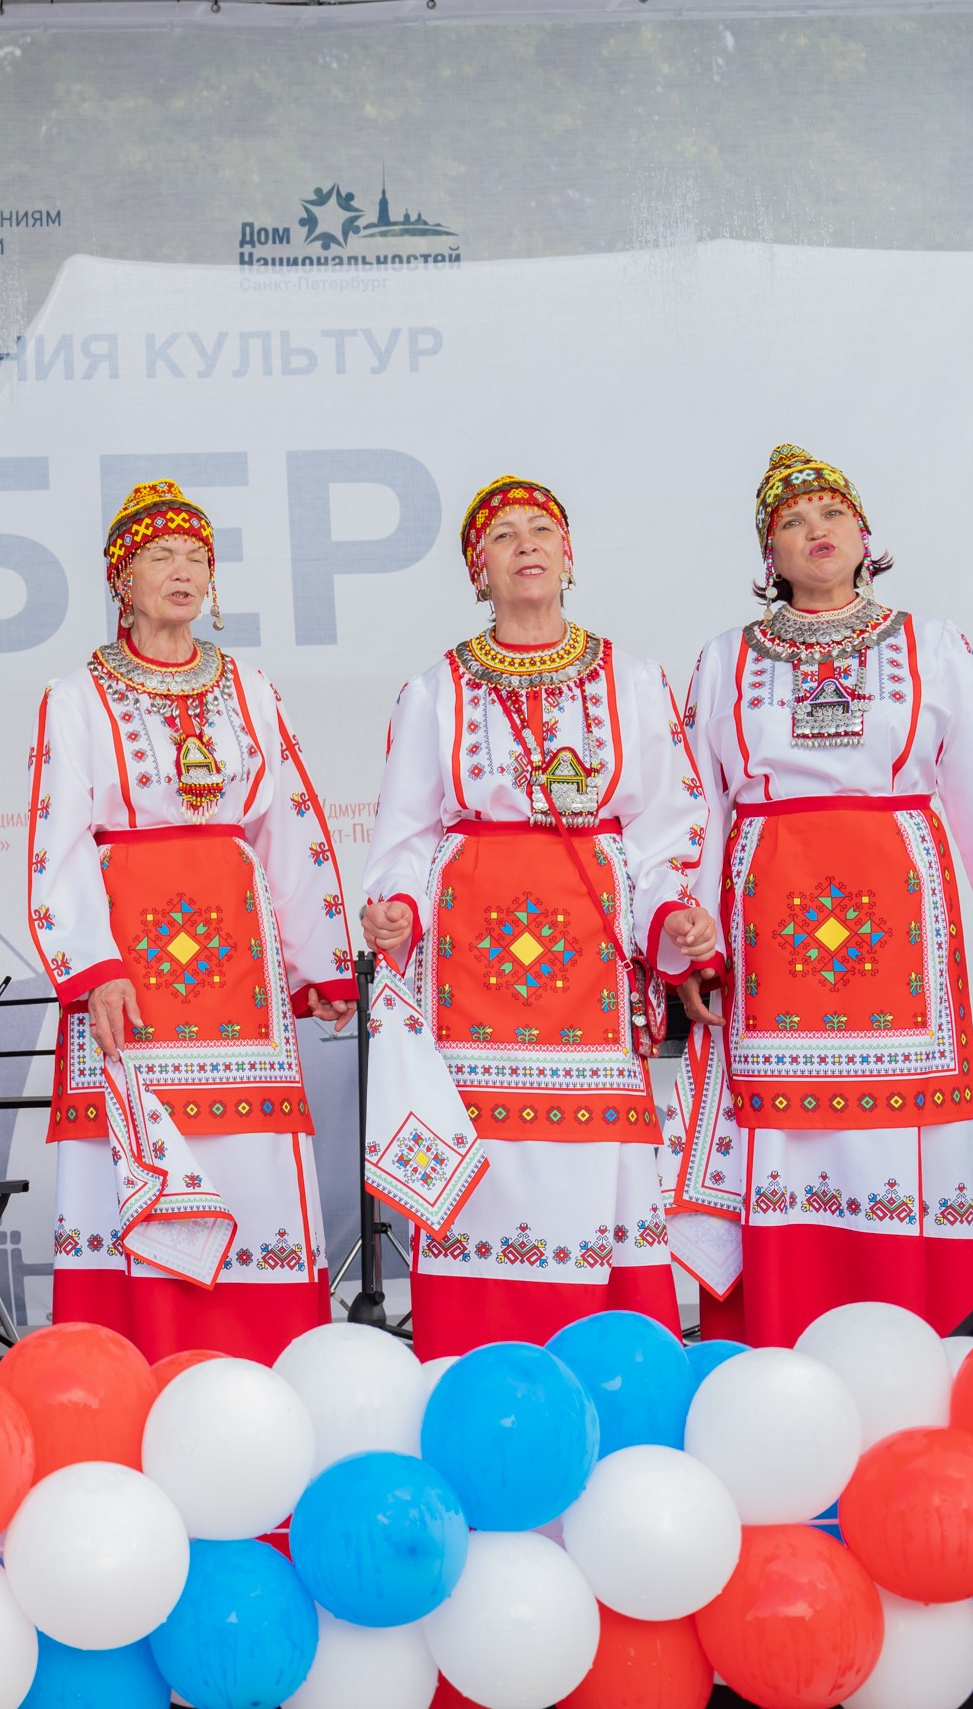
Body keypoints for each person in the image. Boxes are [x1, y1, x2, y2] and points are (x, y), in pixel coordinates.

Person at [679, 446, 973, 1345]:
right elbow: (696, 808)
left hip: (904, 935)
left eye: (831, 514)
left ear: (865, 536)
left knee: (909, 1139)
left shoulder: (930, 645)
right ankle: (786, 1347)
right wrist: (688, 942)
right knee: (786, 1135)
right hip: (768, 929)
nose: (816, 531)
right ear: (767, 558)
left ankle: (917, 1345)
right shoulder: (724, 660)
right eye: (791, 522)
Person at [361, 476, 721, 1359]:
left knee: (593, 1164)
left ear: (569, 555)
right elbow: (405, 830)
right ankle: (476, 1368)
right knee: (487, 1160)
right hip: (471, 964)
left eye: (542, 530)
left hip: (591, 965)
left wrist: (672, 912)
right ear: (477, 573)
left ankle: (609, 1374)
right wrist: (397, 909)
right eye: (503, 537)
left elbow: (664, 827)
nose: (526, 545)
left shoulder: (632, 678)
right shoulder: (435, 688)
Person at [25, 481, 357, 1362]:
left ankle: (266, 1369)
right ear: (120, 582)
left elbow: (287, 830)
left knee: (251, 1157)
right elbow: (56, 845)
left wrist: (320, 964)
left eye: (197, 558)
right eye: (159, 557)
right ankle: (133, 1377)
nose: (183, 573)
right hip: (132, 972)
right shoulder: (76, 696)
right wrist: (92, 969)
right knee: (137, 1162)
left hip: (239, 971)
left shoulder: (248, 687)